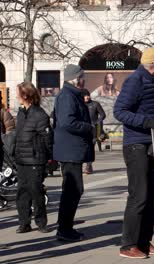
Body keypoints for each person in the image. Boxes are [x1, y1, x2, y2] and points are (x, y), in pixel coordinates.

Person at [114, 47, 154, 259]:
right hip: (136, 145)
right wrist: (147, 122)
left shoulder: (152, 82)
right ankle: (128, 244)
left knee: (151, 196)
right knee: (139, 195)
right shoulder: (135, 80)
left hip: (151, 143)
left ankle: (144, 241)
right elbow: (120, 111)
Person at [53, 64, 94, 242]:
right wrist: (88, 127)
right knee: (72, 190)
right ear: (75, 79)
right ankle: (64, 229)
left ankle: (66, 227)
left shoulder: (71, 94)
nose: (84, 79)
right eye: (82, 76)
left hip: (72, 149)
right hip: (70, 150)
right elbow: (67, 122)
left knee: (73, 190)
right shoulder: (67, 96)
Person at [14, 82, 53, 234]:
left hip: (35, 160)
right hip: (21, 160)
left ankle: (41, 222)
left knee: (36, 192)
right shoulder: (21, 113)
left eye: (18, 93)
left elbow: (47, 138)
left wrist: (50, 159)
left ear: (26, 95)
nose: (16, 96)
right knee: (22, 193)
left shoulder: (40, 115)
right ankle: (24, 223)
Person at [82, 90, 106, 174]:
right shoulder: (79, 104)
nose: (87, 97)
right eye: (85, 95)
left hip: (93, 129)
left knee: (91, 147)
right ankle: (80, 165)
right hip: (82, 129)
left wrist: (97, 122)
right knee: (83, 148)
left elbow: (103, 114)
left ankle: (89, 166)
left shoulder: (95, 104)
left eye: (88, 95)